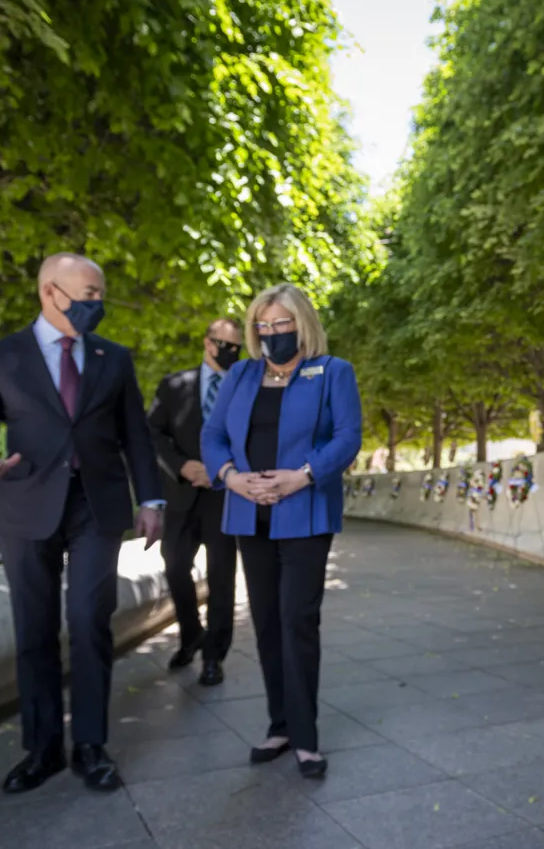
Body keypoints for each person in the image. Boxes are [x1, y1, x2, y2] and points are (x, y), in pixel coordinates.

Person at [0, 253, 164, 794]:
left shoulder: (113, 358)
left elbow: (135, 436)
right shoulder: (0, 357)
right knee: (34, 629)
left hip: (97, 506)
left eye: (100, 293)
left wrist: (153, 500)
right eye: (90, 293)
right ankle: (42, 748)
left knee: (91, 620)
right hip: (27, 507)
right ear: (51, 292)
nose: (99, 302)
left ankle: (90, 745)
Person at [201, 283, 361, 779]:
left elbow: (347, 436)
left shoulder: (333, 372)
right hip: (250, 513)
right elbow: (213, 435)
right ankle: (280, 726)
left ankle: (307, 739)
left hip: (305, 511)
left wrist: (303, 475)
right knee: (266, 622)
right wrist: (232, 476)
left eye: (281, 325)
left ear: (302, 324)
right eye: (262, 327)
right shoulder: (242, 374)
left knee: (297, 620)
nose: (271, 335)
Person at [147, 318, 244, 686]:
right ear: (208, 343)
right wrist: (180, 466)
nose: (231, 352)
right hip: (180, 494)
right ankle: (191, 634)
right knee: (174, 567)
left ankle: (213, 656)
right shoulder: (174, 386)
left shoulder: (246, 388)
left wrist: (223, 469)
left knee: (222, 577)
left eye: (237, 347)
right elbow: (151, 432)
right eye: (224, 344)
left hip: (224, 495)